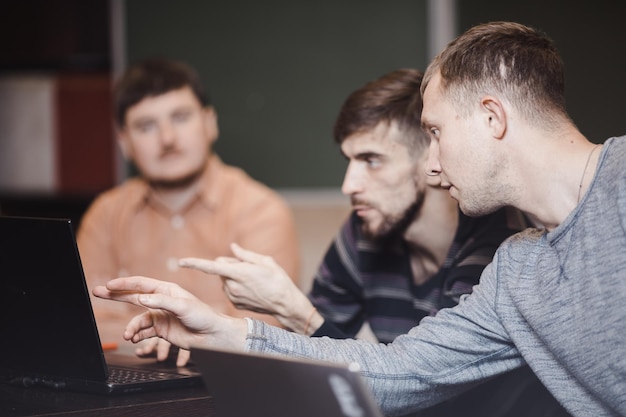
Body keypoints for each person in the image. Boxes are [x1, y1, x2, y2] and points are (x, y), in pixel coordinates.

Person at [93, 22, 625, 417]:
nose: (433, 166)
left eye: (436, 132)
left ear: (492, 118)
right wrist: (223, 332)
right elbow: (399, 372)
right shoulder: (517, 272)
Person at [181, 68, 565, 417]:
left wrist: (296, 311)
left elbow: (434, 393)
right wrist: (204, 342)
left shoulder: (500, 244)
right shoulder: (364, 232)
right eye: (349, 161)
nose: (349, 185)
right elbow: (327, 363)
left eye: (372, 160)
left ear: (433, 159)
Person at [78, 58, 300, 365]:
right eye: (146, 126)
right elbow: (84, 325)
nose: (167, 139)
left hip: (230, 386)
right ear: (124, 142)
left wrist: (154, 329)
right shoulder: (104, 214)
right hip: (124, 385)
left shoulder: (261, 210)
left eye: (180, 117)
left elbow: (263, 334)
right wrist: (184, 329)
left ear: (210, 123)